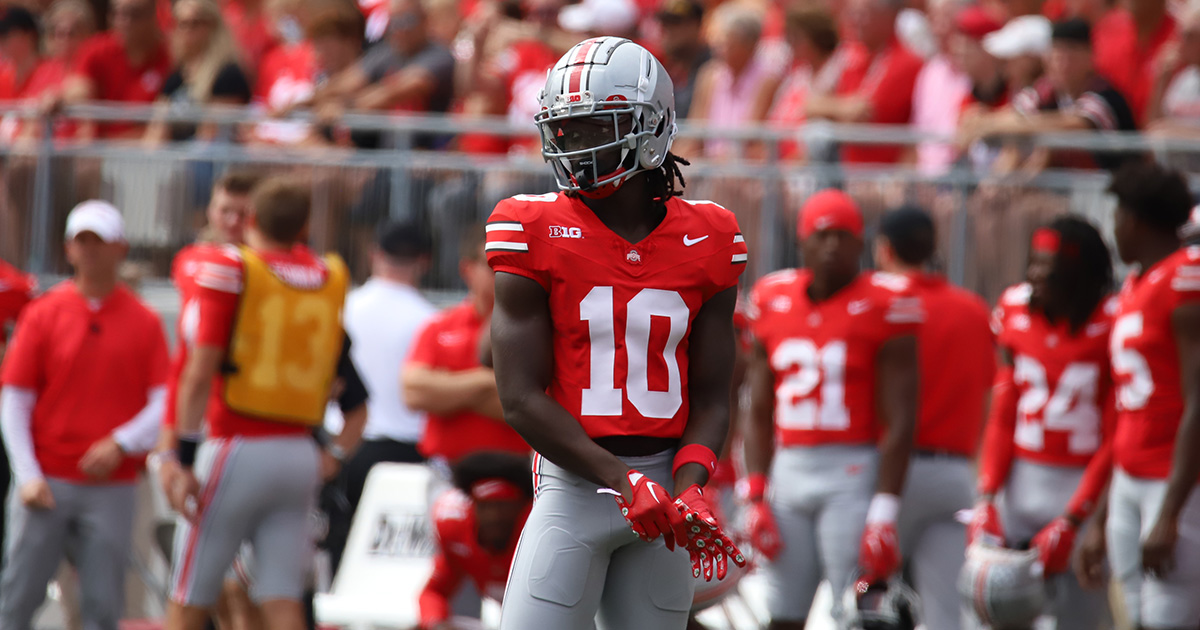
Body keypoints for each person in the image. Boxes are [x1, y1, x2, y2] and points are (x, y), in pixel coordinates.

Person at [487, 36, 747, 630]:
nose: (575, 147)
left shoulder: (710, 235)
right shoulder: (530, 227)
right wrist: (621, 480)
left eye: (594, 127)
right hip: (576, 488)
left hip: (664, 490)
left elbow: (710, 394)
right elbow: (519, 398)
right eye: (567, 129)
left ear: (652, 126)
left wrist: (692, 484)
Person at [165, 177, 349, 630]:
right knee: (282, 598)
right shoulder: (328, 274)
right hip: (301, 450)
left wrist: (183, 456)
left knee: (190, 594)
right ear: (303, 224)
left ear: (251, 219)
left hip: (237, 443)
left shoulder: (232, 267)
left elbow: (198, 370)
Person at [741, 190, 922, 630]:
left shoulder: (888, 301)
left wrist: (884, 510)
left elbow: (901, 418)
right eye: (821, 235)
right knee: (781, 612)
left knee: (858, 613)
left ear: (862, 244)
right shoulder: (771, 296)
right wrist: (756, 491)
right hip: (788, 471)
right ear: (801, 242)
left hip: (852, 472)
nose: (831, 246)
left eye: (843, 236)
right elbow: (758, 406)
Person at [0, 200, 169, 630]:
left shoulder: (143, 321)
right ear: (68, 249)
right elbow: (15, 398)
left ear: (120, 248)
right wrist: (28, 473)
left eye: (99, 241)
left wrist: (121, 442)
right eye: (82, 241)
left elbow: (163, 399)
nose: (89, 251)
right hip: (48, 478)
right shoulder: (43, 315)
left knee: (103, 603)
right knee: (17, 598)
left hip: (109, 483)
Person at [969, 216, 1117, 630]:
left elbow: (1115, 434)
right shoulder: (1015, 307)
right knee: (989, 611)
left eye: (1049, 269)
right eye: (1032, 264)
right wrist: (986, 497)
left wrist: (1075, 518)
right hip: (1019, 484)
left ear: (1081, 275)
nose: (1035, 276)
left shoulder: (1112, 320)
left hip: (1080, 486)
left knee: (1077, 619)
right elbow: (1003, 413)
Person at [1088, 160, 1200, 629]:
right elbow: (1124, 409)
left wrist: (1171, 509)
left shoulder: (1184, 278)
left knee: (1167, 620)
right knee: (1134, 618)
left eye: (1116, 215)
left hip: (1174, 479)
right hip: (1131, 474)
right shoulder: (1138, 282)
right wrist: (1099, 514)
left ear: (1133, 218)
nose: (1113, 226)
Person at [874, 206, 993, 630]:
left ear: (884, 248)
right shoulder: (974, 309)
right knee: (946, 616)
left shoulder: (877, 301)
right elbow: (987, 396)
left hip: (886, 474)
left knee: (866, 599)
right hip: (954, 472)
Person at [333, 220, 436, 570]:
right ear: (425, 261)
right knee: (391, 567)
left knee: (340, 555)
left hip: (342, 442)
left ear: (374, 254)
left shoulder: (343, 307)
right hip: (404, 452)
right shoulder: (430, 319)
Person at [404, 224, 528, 468]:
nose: (501, 272)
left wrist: (448, 389)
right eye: (491, 264)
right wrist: (488, 382)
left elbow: (530, 408)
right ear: (467, 269)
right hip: (448, 469)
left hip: (514, 472)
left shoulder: (533, 329)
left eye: (509, 264)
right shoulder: (439, 326)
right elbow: (413, 393)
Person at [419, 452, 533, 630]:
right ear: (471, 504)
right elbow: (433, 593)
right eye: (485, 505)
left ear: (522, 505)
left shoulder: (539, 533)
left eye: (503, 505)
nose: (493, 516)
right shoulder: (455, 529)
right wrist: (436, 624)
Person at [806, 0, 924, 164]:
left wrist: (831, 111)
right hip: (849, 170)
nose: (855, 20)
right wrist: (843, 108)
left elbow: (863, 116)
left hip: (881, 175)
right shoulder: (851, 54)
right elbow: (810, 105)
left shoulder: (908, 63)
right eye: (853, 13)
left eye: (863, 14)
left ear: (888, 16)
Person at [61, 0, 172, 140]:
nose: (125, 21)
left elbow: (161, 128)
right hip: (101, 150)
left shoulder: (170, 56)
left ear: (152, 17)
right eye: (118, 13)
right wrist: (62, 98)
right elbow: (78, 89)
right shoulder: (97, 49)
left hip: (147, 154)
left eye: (134, 14)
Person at [144, 0, 251, 144]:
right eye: (182, 24)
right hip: (174, 159)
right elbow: (156, 130)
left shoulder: (228, 74)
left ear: (213, 25)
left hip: (210, 161)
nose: (188, 30)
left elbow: (212, 135)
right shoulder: (177, 76)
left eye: (195, 23)